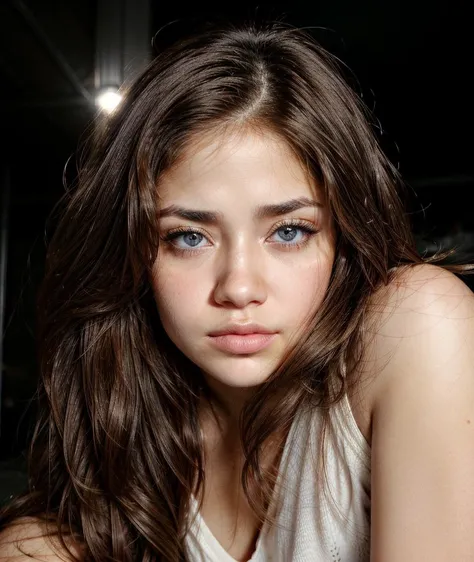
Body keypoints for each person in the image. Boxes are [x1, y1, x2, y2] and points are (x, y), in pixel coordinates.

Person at [0, 17, 473, 562]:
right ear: (133, 253)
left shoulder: (415, 326)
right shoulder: (114, 483)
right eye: (189, 237)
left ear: (344, 237)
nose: (239, 288)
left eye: (289, 232)